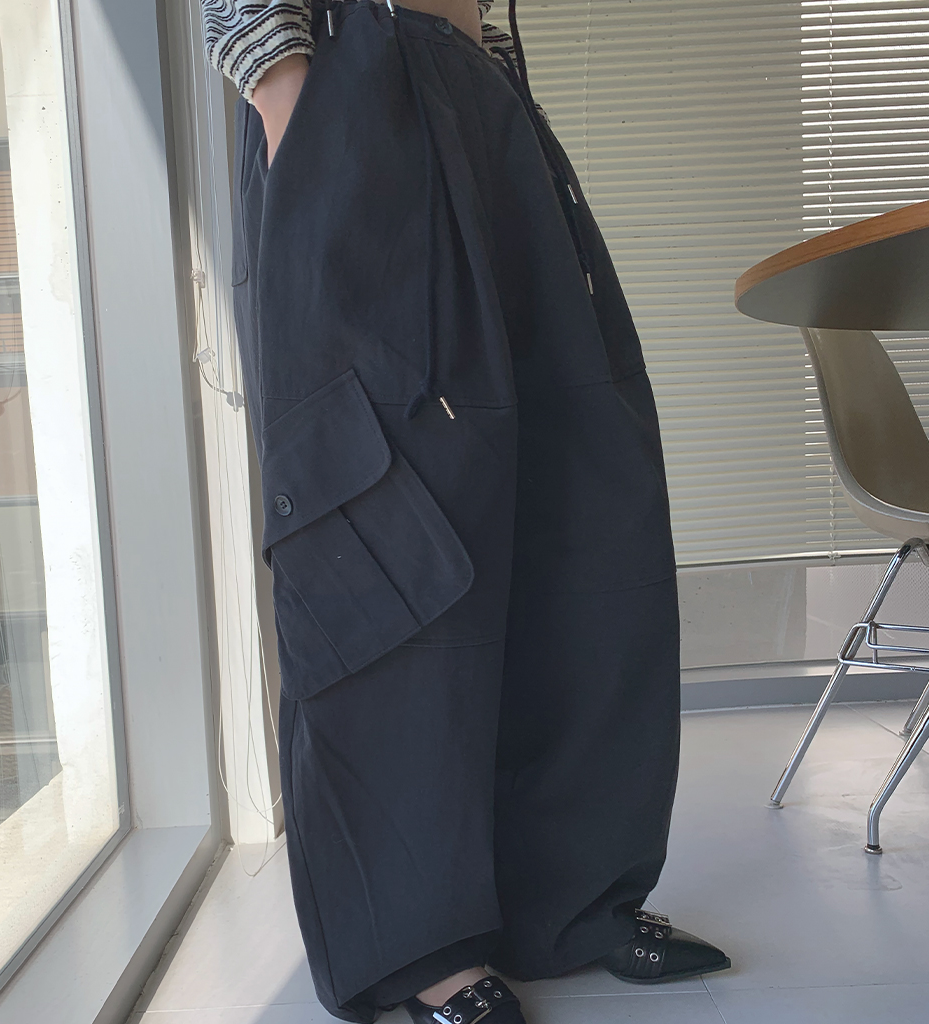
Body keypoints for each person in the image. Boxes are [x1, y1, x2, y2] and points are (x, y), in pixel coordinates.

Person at [202, 1, 731, 1021]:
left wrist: (485, 70)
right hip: (347, 80)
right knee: (385, 518)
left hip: (471, 86)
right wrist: (290, 96)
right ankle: (417, 948)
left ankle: (568, 902)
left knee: (581, 497)